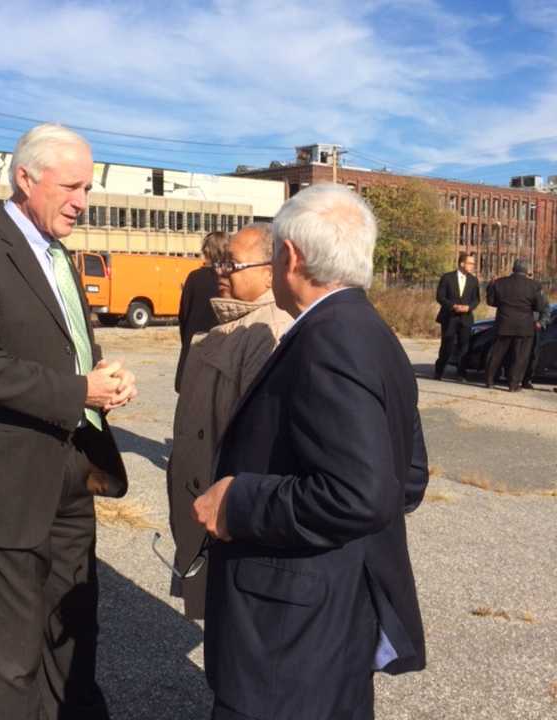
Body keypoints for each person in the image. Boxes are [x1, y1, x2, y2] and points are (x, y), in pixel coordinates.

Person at [192, 183, 428, 720]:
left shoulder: (329, 339)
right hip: (333, 616)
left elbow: (358, 494)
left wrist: (240, 500)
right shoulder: (374, 334)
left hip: (290, 638)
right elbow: (406, 478)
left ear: (291, 257)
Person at [0, 124, 137, 720]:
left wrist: (102, 380)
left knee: (73, 630)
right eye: (71, 185)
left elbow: (57, 347)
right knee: (8, 658)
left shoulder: (58, 253)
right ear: (26, 178)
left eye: (88, 187)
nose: (82, 200)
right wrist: (79, 389)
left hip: (68, 472)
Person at [166, 223, 292, 619]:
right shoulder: (234, 321)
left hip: (229, 513)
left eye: (232, 264)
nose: (220, 271)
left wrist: (234, 505)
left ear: (270, 271)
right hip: (211, 504)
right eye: (220, 262)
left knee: (238, 620)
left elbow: (259, 444)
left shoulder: (267, 330)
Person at [174, 231, 229, 393]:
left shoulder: (194, 277)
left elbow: (183, 316)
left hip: (193, 350)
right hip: (220, 354)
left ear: (207, 251)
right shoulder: (230, 279)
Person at [485, 259, 546, 392]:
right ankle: (513, 385)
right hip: (524, 327)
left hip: (504, 324)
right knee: (520, 358)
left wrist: (490, 286)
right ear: (527, 271)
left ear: (513, 269)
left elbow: (491, 302)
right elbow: (540, 307)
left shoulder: (500, 283)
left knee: (496, 354)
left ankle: (489, 381)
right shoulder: (534, 285)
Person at [434, 252, 480, 381]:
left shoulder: (473, 280)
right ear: (462, 263)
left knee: (464, 346)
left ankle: (461, 373)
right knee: (447, 344)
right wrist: (453, 306)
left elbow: (476, 299)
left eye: (473, 263)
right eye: (470, 263)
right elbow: (440, 296)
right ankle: (439, 370)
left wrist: (469, 307)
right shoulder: (447, 278)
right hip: (450, 317)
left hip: (466, 318)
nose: (473, 266)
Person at [520, 284, 551, 389]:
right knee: (519, 353)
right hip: (521, 328)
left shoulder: (541, 296)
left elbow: (546, 311)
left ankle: (526, 380)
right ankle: (514, 378)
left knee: (532, 355)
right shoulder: (523, 294)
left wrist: (540, 323)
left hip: (535, 329)